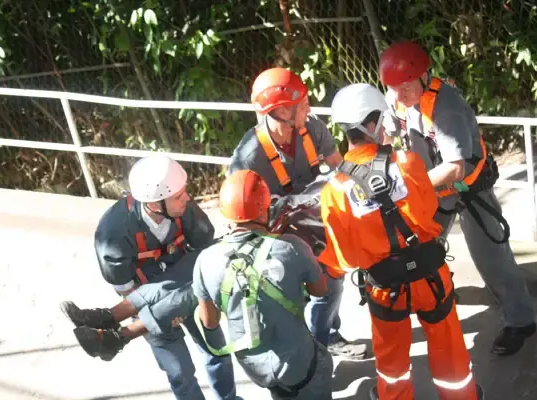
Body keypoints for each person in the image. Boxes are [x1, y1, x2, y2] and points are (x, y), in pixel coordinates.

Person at [320, 83, 483, 400]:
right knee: (450, 353)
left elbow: (343, 258)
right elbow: (429, 212)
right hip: (430, 278)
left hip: (385, 289)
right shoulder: (408, 163)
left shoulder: (335, 190)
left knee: (392, 366)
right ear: (372, 125)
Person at [378, 40, 536, 356]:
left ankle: (521, 322)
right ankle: (439, 292)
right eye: (392, 88)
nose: (399, 95)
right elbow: (387, 132)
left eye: (405, 87)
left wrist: (410, 188)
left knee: (492, 258)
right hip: (431, 190)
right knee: (420, 245)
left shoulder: (445, 107)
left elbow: (455, 168)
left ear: (423, 76)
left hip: (466, 189)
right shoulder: (397, 97)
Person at [59, 154, 240, 400]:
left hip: (188, 285)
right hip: (144, 297)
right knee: (180, 372)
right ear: (154, 204)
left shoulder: (184, 208)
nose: (187, 198)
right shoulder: (114, 230)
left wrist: (181, 303)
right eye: (178, 196)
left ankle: (109, 323)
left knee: (216, 350)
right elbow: (123, 284)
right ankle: (113, 326)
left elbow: (204, 253)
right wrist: (164, 313)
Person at [228, 66, 367, 360]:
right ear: (280, 113)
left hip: (317, 222)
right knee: (293, 294)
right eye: (302, 105)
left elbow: (341, 169)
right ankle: (303, 352)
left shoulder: (313, 129)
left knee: (332, 283)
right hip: (275, 234)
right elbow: (241, 216)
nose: (309, 108)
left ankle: (325, 337)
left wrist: (371, 176)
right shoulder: (249, 156)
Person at [192, 169, 334, 400]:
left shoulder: (205, 260)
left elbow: (209, 322)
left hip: (254, 365)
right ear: (266, 210)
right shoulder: (292, 246)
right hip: (297, 361)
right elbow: (320, 291)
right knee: (321, 363)